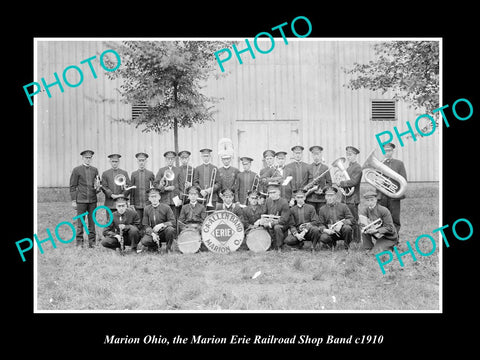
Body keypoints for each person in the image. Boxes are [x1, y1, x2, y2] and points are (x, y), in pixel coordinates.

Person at [69, 149, 102, 247]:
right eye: (86, 158)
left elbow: (97, 184)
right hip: (81, 201)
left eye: (90, 158)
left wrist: (98, 187)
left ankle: (92, 243)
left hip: (92, 200)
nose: (88, 159)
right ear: (82, 158)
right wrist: (74, 200)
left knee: (92, 222)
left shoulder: (95, 170)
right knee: (81, 222)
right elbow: (72, 186)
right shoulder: (77, 170)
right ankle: (79, 243)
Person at [377, 143, 407, 236]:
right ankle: (384, 238)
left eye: (389, 150)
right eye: (385, 151)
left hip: (394, 195)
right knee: (383, 218)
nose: (387, 153)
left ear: (393, 151)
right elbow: (376, 180)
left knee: (395, 218)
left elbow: (403, 180)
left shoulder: (399, 163)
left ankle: (395, 238)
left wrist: (394, 188)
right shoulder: (380, 164)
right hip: (383, 196)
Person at [337, 146, 362, 242]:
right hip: (346, 198)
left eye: (350, 155)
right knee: (346, 219)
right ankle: (349, 238)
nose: (348, 157)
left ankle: (357, 240)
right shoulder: (348, 168)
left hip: (353, 199)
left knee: (354, 219)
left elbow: (354, 182)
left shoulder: (357, 167)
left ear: (355, 155)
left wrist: (341, 183)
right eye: (347, 155)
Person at [139, 187, 176, 253]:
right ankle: (154, 247)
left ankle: (169, 248)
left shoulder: (166, 207)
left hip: (164, 232)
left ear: (159, 197)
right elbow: (145, 225)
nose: (154, 199)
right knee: (144, 241)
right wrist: (152, 234)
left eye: (155, 196)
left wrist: (162, 225)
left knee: (170, 230)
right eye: (152, 197)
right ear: (149, 199)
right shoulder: (146, 209)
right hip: (153, 232)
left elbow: (173, 222)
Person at [317, 186, 354, 250]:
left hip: (342, 231)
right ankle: (331, 244)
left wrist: (342, 223)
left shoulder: (343, 206)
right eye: (328, 196)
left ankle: (347, 246)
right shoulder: (322, 209)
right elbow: (320, 224)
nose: (330, 198)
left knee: (347, 228)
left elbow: (351, 219)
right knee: (323, 237)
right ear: (325, 197)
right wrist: (326, 230)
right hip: (330, 232)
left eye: (332, 196)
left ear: (335, 196)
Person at [261, 182, 291, 250]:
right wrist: (262, 221)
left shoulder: (284, 202)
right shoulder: (268, 200)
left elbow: (284, 219)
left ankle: (279, 246)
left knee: (277, 227)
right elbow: (264, 213)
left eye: (274, 192)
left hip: (282, 225)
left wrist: (270, 223)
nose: (272, 195)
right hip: (270, 222)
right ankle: (267, 244)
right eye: (270, 193)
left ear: (279, 192)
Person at [305, 145, 332, 214]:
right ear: (312, 156)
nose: (316, 156)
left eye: (318, 154)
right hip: (310, 198)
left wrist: (323, 190)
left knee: (321, 216)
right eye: (314, 155)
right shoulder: (308, 167)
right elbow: (305, 182)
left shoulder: (325, 168)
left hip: (321, 198)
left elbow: (329, 183)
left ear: (321, 155)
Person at [130, 152, 155, 222]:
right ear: (137, 161)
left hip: (148, 203)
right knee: (138, 221)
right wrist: (132, 203)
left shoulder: (150, 173)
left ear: (146, 161)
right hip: (137, 204)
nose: (141, 163)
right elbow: (132, 190)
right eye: (140, 160)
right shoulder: (133, 174)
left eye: (143, 160)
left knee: (147, 221)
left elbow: (154, 188)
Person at [154, 151, 180, 219]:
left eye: (172, 159)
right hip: (164, 199)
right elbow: (155, 184)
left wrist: (181, 199)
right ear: (165, 159)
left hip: (175, 199)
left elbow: (181, 186)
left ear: (174, 159)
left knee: (175, 219)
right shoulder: (161, 170)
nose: (170, 160)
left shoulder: (178, 170)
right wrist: (165, 188)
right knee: (164, 218)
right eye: (168, 159)